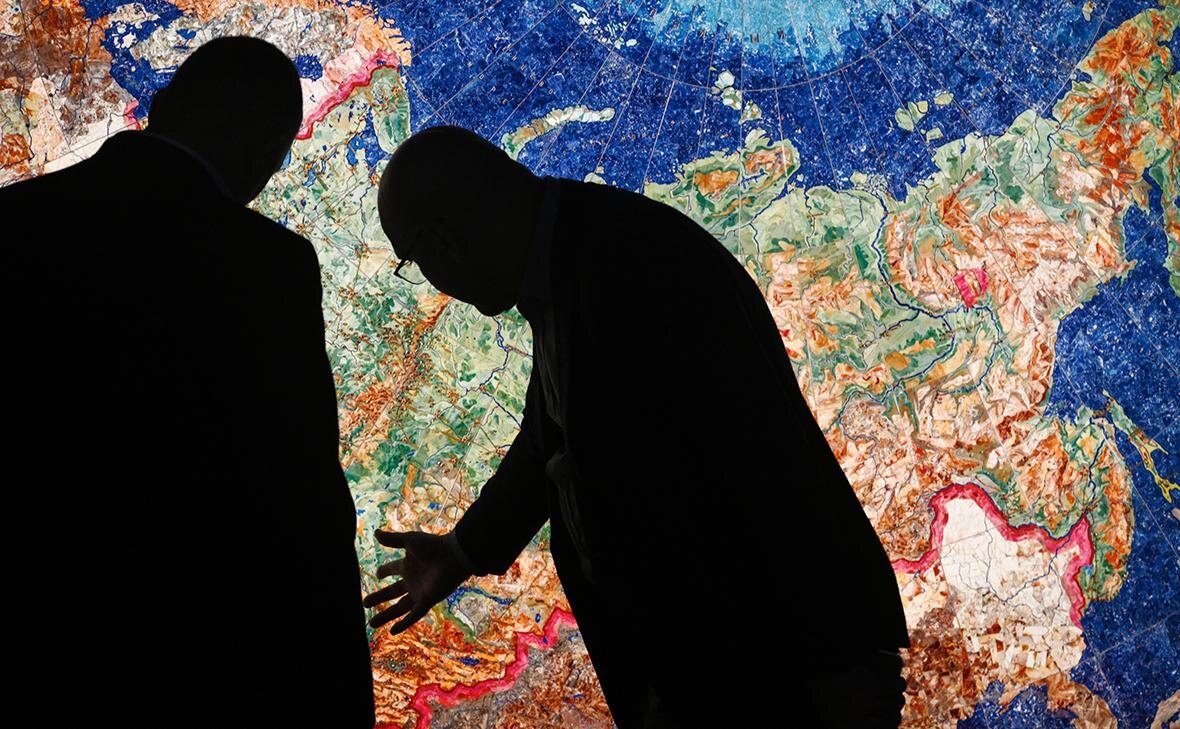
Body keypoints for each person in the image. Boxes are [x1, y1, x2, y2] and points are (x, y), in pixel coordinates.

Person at [365, 125, 909, 728]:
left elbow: (727, 482)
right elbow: (548, 439)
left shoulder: (621, 273)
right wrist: (461, 551)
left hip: (781, 671)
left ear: (445, 241)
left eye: (416, 263)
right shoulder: (582, 260)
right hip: (759, 664)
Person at [0, 37, 373, 727]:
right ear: (267, 151)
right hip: (188, 662)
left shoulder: (13, 224)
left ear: (163, 103)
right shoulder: (269, 268)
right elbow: (301, 496)